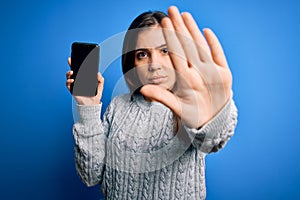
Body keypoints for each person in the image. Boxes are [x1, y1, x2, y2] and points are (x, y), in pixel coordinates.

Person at [66, 6, 238, 200]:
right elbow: (90, 175)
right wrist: (88, 108)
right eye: (142, 54)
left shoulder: (189, 107)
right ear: (132, 63)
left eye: (165, 50)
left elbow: (212, 139)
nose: (154, 64)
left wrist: (212, 115)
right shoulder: (118, 105)